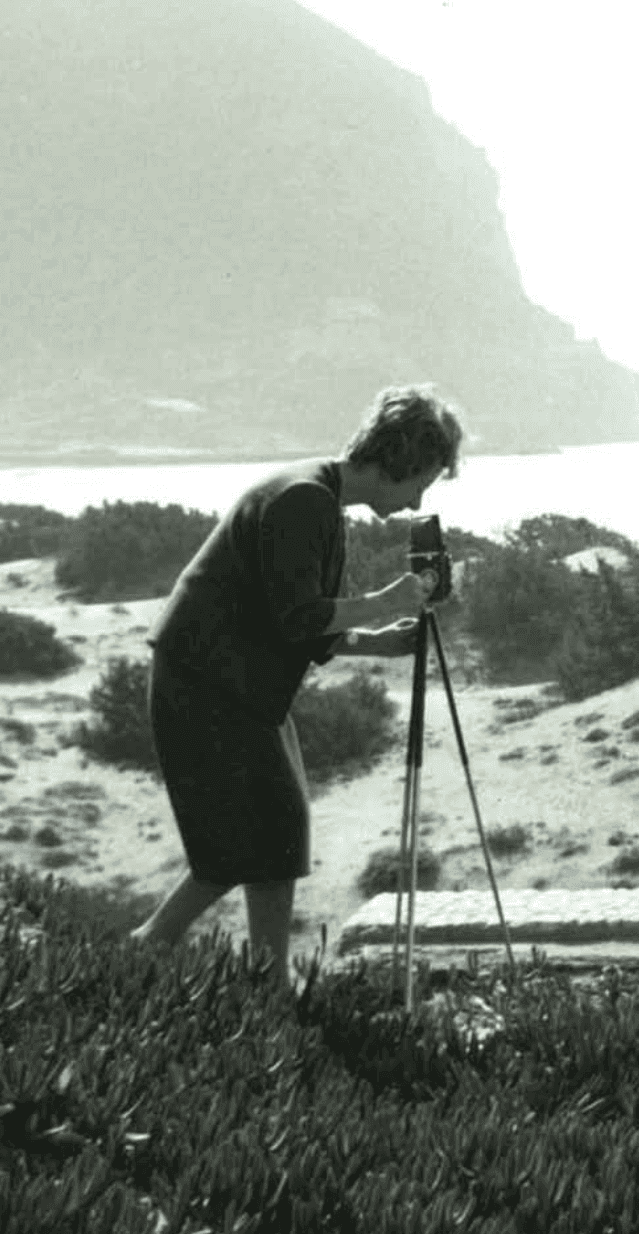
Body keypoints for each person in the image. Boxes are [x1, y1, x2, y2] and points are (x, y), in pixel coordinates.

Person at [130, 385, 464, 980]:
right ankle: (195, 956)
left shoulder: (317, 498)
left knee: (270, 831)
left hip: (232, 684)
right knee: (258, 833)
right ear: (399, 462)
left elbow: (290, 620)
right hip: (208, 684)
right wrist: (383, 602)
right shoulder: (303, 501)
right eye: (423, 481)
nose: (419, 499)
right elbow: (298, 617)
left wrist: (381, 639)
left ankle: (236, 968)